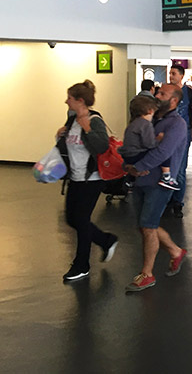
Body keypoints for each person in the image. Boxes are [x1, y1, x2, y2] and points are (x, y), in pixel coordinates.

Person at [123, 84, 188, 292]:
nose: (157, 96)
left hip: (159, 183)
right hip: (141, 180)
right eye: (157, 92)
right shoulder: (150, 120)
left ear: (174, 101)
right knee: (144, 225)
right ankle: (176, 251)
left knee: (148, 226)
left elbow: (162, 152)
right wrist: (127, 165)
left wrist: (137, 167)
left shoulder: (176, 124)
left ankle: (147, 273)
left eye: (162, 94)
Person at [55, 80, 118, 282]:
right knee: (71, 219)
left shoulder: (94, 120)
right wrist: (60, 135)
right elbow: (69, 145)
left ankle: (81, 265)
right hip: (75, 178)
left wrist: (88, 130)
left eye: (70, 99)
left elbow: (100, 146)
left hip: (92, 179)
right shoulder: (72, 118)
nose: (67, 102)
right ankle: (105, 240)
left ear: (80, 100)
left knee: (81, 221)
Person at [118, 95, 177, 192]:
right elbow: (149, 144)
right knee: (165, 153)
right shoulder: (146, 124)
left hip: (127, 156)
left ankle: (130, 180)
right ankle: (166, 177)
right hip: (136, 155)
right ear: (150, 110)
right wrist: (159, 139)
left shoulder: (132, 124)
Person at [167, 64, 192, 217]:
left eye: (174, 73)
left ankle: (177, 202)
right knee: (167, 168)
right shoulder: (165, 91)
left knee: (180, 170)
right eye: (170, 73)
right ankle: (167, 199)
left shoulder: (188, 93)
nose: (171, 76)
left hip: (183, 135)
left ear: (181, 76)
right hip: (167, 135)